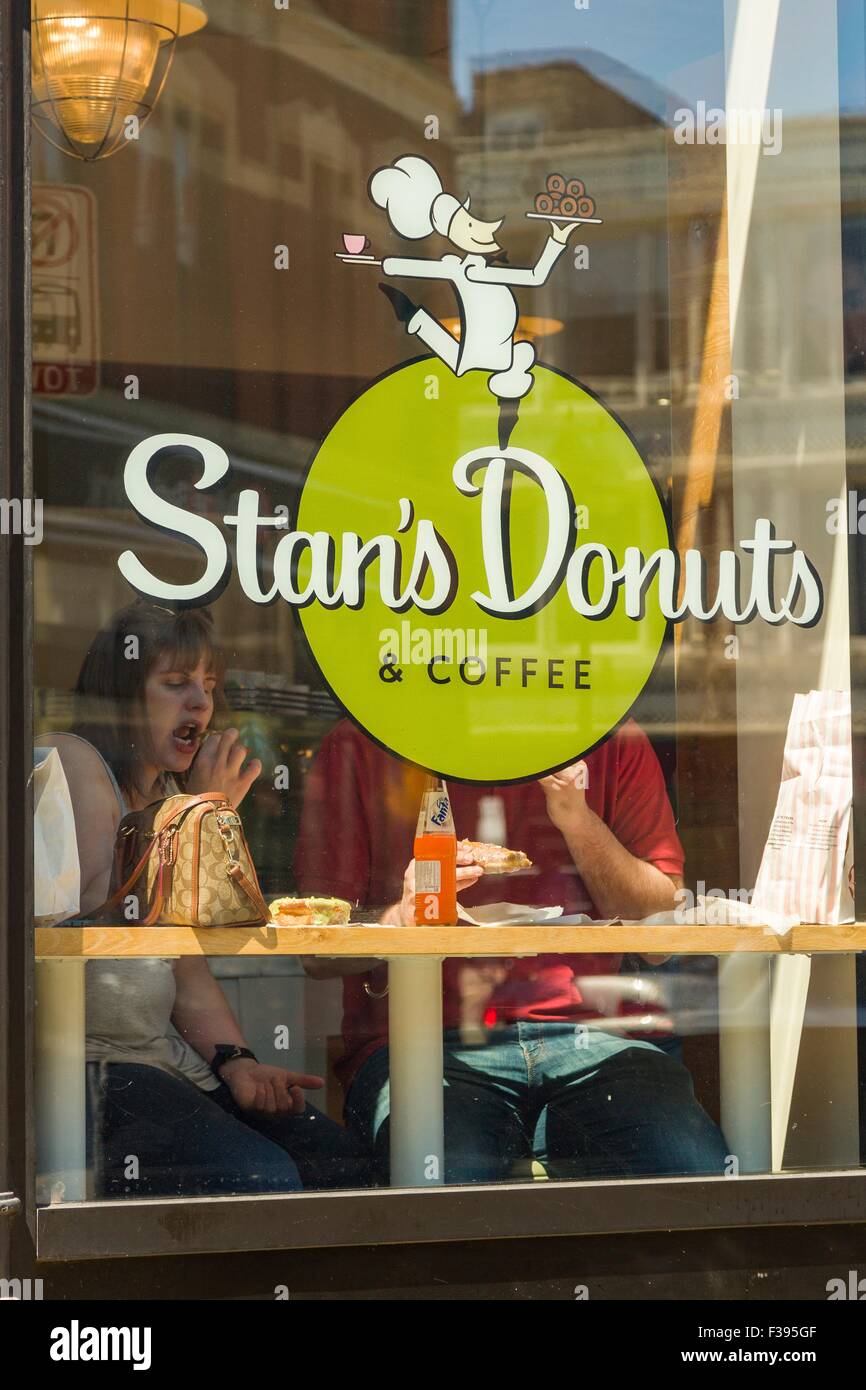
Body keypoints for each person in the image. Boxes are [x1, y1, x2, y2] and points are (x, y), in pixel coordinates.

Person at [295, 717, 729, 1185]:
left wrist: (576, 819)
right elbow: (318, 951)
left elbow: (660, 935)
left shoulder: (610, 737)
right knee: (442, 1187)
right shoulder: (364, 739)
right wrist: (402, 917)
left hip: (589, 1037)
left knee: (692, 1170)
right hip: (423, 1040)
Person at [38, 601, 369, 1198]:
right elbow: (91, 928)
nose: (200, 703)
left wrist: (237, 1064)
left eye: (209, 687)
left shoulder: (166, 790)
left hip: (164, 1063)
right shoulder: (75, 762)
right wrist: (196, 818)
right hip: (86, 1069)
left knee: (345, 1164)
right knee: (263, 1179)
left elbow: (182, 964)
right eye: (174, 684)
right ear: (121, 694)